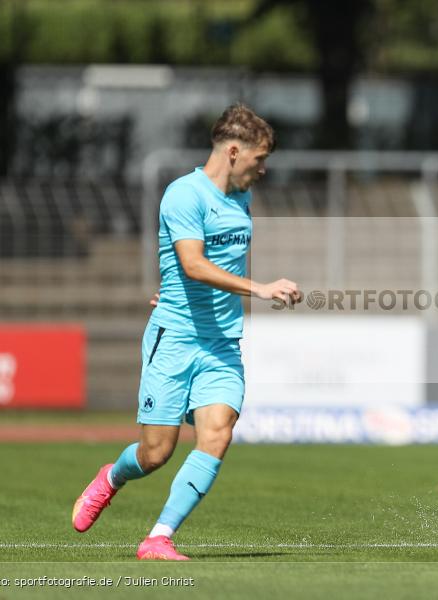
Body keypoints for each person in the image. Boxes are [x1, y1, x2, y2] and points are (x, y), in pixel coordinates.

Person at [71, 104, 302, 560]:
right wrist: (260, 288)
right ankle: (111, 477)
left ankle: (159, 537)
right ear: (233, 152)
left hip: (221, 342)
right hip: (174, 338)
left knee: (218, 433)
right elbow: (193, 264)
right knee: (156, 453)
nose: (263, 169)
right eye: (259, 159)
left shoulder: (241, 198)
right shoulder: (184, 194)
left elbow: (207, 264)